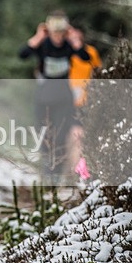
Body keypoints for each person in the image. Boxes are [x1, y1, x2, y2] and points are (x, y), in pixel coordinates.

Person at [20, 11, 90, 183]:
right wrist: (37, 37)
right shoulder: (43, 45)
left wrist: (75, 41)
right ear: (49, 31)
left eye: (61, 32)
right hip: (44, 98)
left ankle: (58, 175)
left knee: (60, 137)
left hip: (64, 99)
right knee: (44, 136)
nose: (58, 37)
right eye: (54, 32)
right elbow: (23, 54)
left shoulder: (68, 46)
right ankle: (48, 172)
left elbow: (85, 57)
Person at [67, 30, 102, 175]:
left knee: (81, 137)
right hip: (68, 101)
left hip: (88, 100)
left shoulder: (90, 52)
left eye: (76, 36)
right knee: (71, 138)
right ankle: (74, 171)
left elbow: (98, 70)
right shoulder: (66, 53)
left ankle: (81, 172)